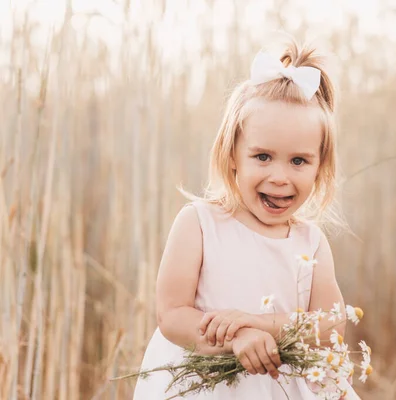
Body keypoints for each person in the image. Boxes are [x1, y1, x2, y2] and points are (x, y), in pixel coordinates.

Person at [133, 37, 359, 399]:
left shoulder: (310, 242)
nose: (280, 176)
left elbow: (330, 325)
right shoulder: (200, 224)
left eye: (299, 161)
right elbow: (172, 314)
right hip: (207, 388)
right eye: (263, 157)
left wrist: (260, 324)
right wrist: (237, 337)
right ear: (233, 154)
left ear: (320, 168)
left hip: (281, 388)